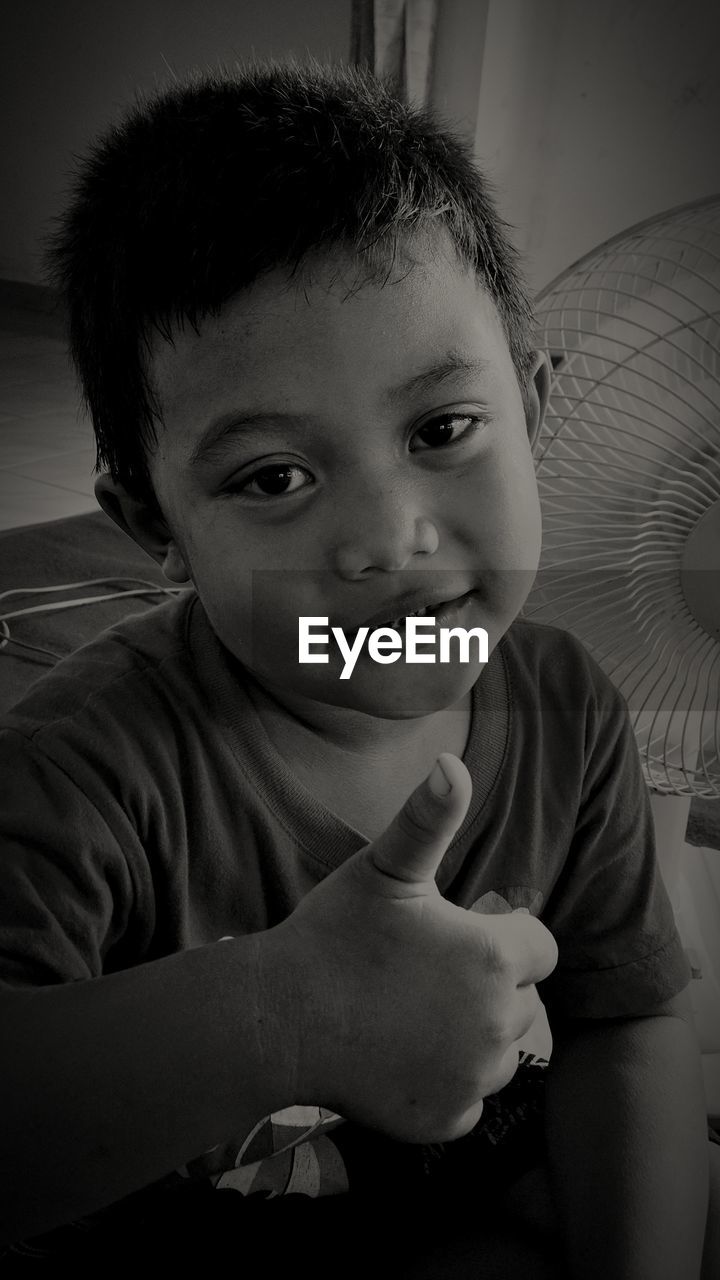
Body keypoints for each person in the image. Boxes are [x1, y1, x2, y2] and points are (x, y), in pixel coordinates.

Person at [0, 60, 717, 1276]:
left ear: (536, 413)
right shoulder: (81, 773)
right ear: (154, 527)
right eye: (273, 476)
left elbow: (627, 1017)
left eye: (442, 430)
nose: (389, 539)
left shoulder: (570, 708)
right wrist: (288, 1009)